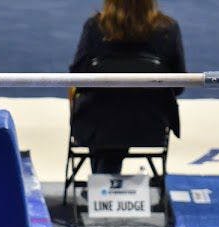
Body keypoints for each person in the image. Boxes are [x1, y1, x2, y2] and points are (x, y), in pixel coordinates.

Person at [68, 0, 186, 173]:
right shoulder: (168, 29)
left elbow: (78, 78)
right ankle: (108, 183)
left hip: (97, 127)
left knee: (105, 113)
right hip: (150, 127)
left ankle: (104, 184)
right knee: (121, 116)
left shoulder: (94, 27)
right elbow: (178, 86)